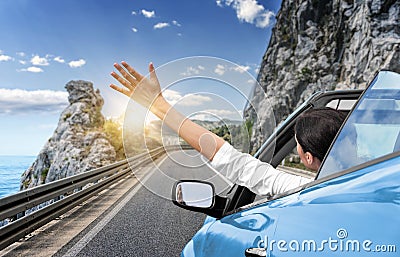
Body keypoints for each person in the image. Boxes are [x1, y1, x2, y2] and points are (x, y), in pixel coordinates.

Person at [110, 61, 346, 196]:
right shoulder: (377, 175)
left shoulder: (303, 189)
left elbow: (231, 159)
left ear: (307, 157)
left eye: (296, 144)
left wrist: (158, 105)